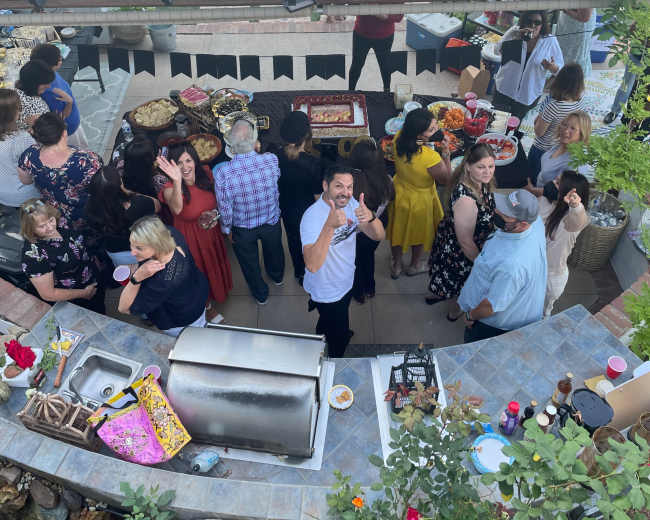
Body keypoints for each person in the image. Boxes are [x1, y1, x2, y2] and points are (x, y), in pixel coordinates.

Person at [300, 164, 385, 357]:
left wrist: (371, 217)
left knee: (334, 318)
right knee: (337, 334)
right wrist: (330, 226)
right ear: (325, 185)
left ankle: (326, 332)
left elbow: (378, 236)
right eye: (339, 186)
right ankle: (334, 356)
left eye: (349, 187)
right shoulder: (312, 217)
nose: (345, 193)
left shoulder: (352, 204)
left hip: (347, 278)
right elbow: (312, 265)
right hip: (327, 288)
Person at [458, 189, 547, 342]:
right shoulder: (536, 222)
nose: (496, 211)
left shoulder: (512, 265)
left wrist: (470, 315)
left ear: (522, 224)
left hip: (495, 327)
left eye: (504, 215)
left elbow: (490, 306)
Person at [213, 119, 284, 305]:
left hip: (242, 230)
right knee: (275, 251)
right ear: (255, 142)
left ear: (231, 147)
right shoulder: (271, 159)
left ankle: (261, 295)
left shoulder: (223, 173)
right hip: (271, 221)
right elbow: (276, 180)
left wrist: (226, 230)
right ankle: (277, 277)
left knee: (250, 264)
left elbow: (225, 208)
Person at [158, 143, 232, 316]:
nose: (185, 167)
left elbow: (220, 199)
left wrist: (216, 214)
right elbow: (176, 209)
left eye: (188, 161)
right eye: (179, 163)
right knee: (199, 272)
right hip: (191, 240)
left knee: (215, 264)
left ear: (195, 161)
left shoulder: (206, 173)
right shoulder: (169, 189)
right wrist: (177, 181)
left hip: (211, 233)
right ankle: (207, 307)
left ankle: (219, 291)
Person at [427, 143, 496, 320]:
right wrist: (482, 265)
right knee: (462, 285)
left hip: (454, 239)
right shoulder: (466, 199)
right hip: (461, 252)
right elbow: (465, 242)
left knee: (445, 279)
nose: (487, 171)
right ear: (468, 167)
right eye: (481, 167)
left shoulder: (481, 182)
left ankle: (437, 294)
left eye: (491, 166)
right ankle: (454, 312)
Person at [117, 215, 209, 337]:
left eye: (139, 248)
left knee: (192, 341)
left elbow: (124, 308)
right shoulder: (170, 233)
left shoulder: (165, 280)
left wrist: (136, 278)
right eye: (131, 244)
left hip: (181, 319)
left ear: (156, 245)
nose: (132, 252)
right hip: (195, 294)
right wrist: (137, 266)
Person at [387, 108, 451, 279]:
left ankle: (396, 264)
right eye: (431, 129)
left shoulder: (399, 137)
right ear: (419, 135)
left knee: (397, 231)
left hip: (400, 192)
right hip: (420, 200)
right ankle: (414, 265)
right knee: (419, 234)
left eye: (435, 125)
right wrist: (446, 154)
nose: (436, 130)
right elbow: (446, 180)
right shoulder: (430, 158)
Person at [18, 112, 103, 229]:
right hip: (84, 210)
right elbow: (101, 188)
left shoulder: (29, 155)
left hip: (53, 209)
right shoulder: (88, 160)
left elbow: (26, 181)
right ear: (64, 133)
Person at [20, 199, 104, 313]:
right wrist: (84, 293)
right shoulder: (34, 256)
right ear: (31, 228)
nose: (50, 227)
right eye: (42, 226)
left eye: (51, 220)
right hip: (77, 296)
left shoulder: (61, 222)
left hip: (92, 278)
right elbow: (48, 294)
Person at [272, 111, 323, 286]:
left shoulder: (276, 156)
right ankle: (310, 269)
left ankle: (299, 272)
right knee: (308, 242)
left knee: (293, 241)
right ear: (306, 136)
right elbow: (318, 197)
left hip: (286, 209)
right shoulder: (313, 163)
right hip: (307, 212)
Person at [493, 11, 564, 120]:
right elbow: (497, 51)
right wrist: (514, 36)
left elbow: (561, 70)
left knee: (514, 126)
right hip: (504, 88)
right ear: (523, 22)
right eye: (529, 22)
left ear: (543, 24)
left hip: (527, 95)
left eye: (537, 22)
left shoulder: (549, 41)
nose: (533, 26)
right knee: (495, 121)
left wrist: (552, 67)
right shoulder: (514, 32)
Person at [85, 165, 160, 267]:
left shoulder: (90, 208)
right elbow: (157, 205)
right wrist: (128, 192)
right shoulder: (138, 204)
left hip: (116, 253)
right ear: (119, 185)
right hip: (141, 249)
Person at [538, 171, 590, 316]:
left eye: (557, 182)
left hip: (551, 276)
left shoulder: (571, 221)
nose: (552, 183)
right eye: (555, 179)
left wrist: (576, 205)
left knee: (542, 312)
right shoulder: (547, 200)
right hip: (532, 267)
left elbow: (579, 221)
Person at [349, 139, 394, 303]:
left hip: (357, 233)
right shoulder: (387, 180)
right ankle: (370, 287)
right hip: (376, 229)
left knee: (355, 262)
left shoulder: (351, 187)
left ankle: (358, 292)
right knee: (368, 257)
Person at [527, 64, 585, 184]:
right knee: (547, 183)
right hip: (560, 151)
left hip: (541, 150)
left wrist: (539, 117)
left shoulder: (554, 106)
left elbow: (539, 132)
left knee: (533, 182)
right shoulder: (580, 104)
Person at [30, 44, 86, 148]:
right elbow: (61, 118)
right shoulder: (50, 90)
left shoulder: (48, 75)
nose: (61, 61)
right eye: (59, 59)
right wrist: (69, 103)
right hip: (67, 129)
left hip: (71, 122)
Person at [527, 111, 592, 194]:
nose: (566, 130)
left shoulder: (575, 163)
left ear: (582, 134)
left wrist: (531, 190)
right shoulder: (559, 144)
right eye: (564, 125)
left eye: (573, 128)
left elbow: (560, 193)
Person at [0, 88, 41, 206]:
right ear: (12, 114)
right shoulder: (23, 139)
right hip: (23, 195)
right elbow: (37, 163)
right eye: (18, 109)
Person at [348, 14, 404, 92]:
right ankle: (350, 92)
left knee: (385, 65)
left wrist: (386, 16)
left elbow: (399, 17)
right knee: (357, 64)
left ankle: (387, 91)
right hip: (361, 33)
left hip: (384, 36)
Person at [556, 8, 596, 79]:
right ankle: (562, 79)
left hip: (579, 26)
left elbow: (584, 17)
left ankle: (572, 84)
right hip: (568, 22)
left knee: (574, 57)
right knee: (563, 53)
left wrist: (564, 8)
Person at [14, 60, 52, 130]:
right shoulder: (38, 110)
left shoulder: (14, 93)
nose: (48, 86)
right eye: (45, 83)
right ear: (33, 83)